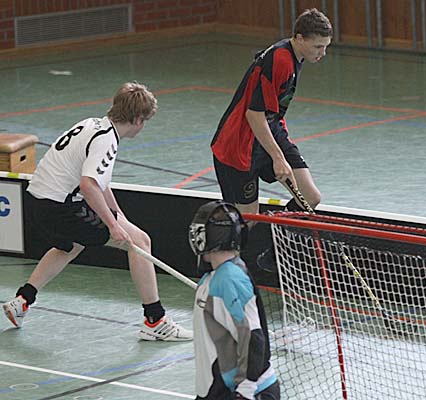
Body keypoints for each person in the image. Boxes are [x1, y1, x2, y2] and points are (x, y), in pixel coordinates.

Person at [2, 82, 192, 342]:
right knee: (140, 241)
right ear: (138, 119)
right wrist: (113, 226)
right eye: (145, 121)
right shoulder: (106, 141)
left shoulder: (93, 124)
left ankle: (23, 300)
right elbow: (88, 185)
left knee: (72, 245)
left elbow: (100, 183)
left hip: (37, 201)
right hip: (59, 206)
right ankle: (155, 320)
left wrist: (119, 216)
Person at [211, 8, 333, 216]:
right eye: (318, 47)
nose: (322, 53)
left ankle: (280, 231)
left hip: (271, 129)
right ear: (300, 38)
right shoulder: (281, 60)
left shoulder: (296, 56)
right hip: (240, 142)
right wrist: (278, 158)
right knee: (248, 219)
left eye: (325, 47)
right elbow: (253, 114)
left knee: (310, 197)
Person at [188, 201, 279, 400]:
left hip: (244, 392)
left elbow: (253, 336)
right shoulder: (214, 277)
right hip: (217, 390)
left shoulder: (230, 279)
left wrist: (245, 390)